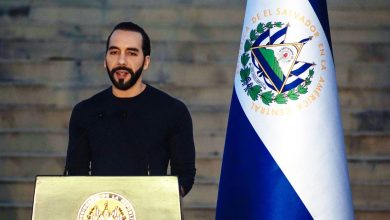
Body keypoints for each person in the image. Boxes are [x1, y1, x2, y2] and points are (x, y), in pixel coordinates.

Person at [64, 22, 196, 196]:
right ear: (105, 60)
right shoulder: (84, 112)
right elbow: (75, 175)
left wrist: (162, 200)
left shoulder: (173, 111)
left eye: (131, 53)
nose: (121, 61)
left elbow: (184, 175)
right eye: (114, 52)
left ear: (146, 61)